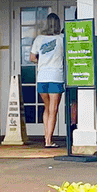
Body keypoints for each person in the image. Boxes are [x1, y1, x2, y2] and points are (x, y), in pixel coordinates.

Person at [30, 14, 65, 147]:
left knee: (46, 108)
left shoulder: (39, 39)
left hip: (42, 77)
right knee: (53, 109)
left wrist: (42, 60)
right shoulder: (61, 39)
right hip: (56, 76)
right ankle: (48, 140)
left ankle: (46, 138)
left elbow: (32, 58)